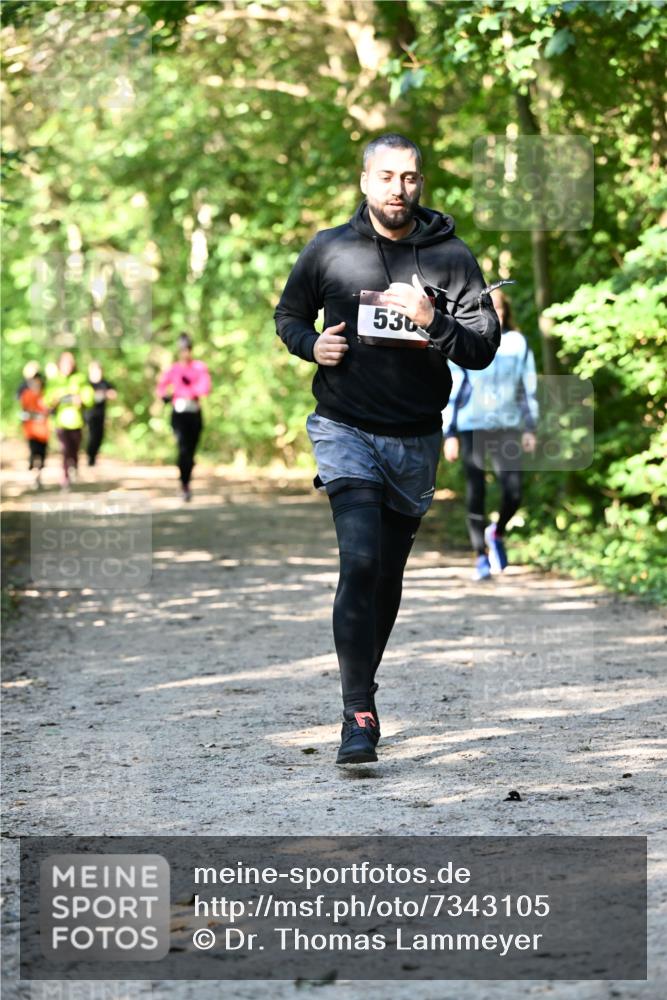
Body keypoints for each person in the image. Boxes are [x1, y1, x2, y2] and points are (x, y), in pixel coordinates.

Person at [275, 133, 501, 765]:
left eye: (409, 177)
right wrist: (310, 346)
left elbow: (483, 347)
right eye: (386, 177)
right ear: (365, 182)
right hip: (343, 426)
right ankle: (359, 712)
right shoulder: (330, 250)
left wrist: (434, 321)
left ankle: (360, 690)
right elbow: (290, 317)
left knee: (390, 575)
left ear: (420, 183)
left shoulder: (451, 256)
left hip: (416, 438)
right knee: (362, 561)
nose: (398, 189)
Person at [443, 288, 538, 580]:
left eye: (498, 306)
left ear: (506, 310)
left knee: (513, 491)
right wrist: (450, 432)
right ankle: (480, 557)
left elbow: (528, 386)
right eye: (489, 306)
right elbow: (454, 387)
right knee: (476, 490)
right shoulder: (466, 339)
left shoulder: (517, 343)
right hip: (472, 425)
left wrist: (530, 426)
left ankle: (496, 532)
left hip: (508, 425)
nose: (494, 311)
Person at [156, 334, 211, 502]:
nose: (184, 353)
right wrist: (165, 396)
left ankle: (187, 477)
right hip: (178, 414)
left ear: (191, 350)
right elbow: (161, 387)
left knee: (191, 451)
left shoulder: (199, 367)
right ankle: (184, 483)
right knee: (183, 449)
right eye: (181, 350)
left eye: (187, 350)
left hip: (194, 413)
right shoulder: (174, 369)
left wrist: (188, 390)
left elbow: (205, 387)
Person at [44, 351, 95, 489]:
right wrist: (55, 400)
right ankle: (65, 476)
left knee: (74, 449)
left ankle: (74, 467)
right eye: (64, 364)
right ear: (59, 365)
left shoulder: (81, 378)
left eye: (69, 364)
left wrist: (81, 400)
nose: (67, 367)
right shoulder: (54, 381)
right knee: (65, 450)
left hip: (76, 421)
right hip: (61, 422)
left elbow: (89, 398)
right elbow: (47, 400)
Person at [19, 371, 50, 489]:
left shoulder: (44, 395)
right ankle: (33, 473)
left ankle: (38, 477)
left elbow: (48, 410)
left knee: (42, 455)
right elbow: (24, 411)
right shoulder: (26, 395)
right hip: (31, 432)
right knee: (34, 453)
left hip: (43, 432)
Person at [85, 360, 117, 467]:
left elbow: (113, 393)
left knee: (99, 436)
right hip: (89, 413)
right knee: (92, 435)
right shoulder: (86, 383)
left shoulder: (104, 383)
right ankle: (89, 456)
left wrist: (106, 394)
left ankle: (93, 456)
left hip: (100, 413)